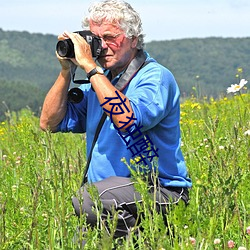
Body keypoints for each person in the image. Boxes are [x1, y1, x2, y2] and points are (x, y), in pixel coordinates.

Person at [40, 0, 192, 244]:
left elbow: (128, 119)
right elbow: (49, 123)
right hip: (110, 199)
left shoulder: (154, 77)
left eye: (110, 37)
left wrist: (90, 67)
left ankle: (146, 241)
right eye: (96, 39)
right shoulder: (99, 83)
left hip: (160, 191)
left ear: (133, 39)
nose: (102, 47)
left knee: (88, 199)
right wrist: (66, 70)